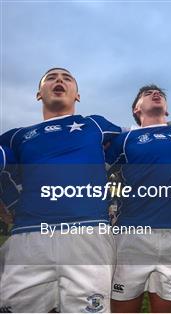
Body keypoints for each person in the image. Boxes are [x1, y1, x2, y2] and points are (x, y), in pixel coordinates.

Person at [0, 68, 121, 312]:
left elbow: (134, 143)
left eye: (67, 78)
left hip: (88, 235)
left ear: (77, 95)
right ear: (38, 94)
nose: (59, 80)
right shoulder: (17, 137)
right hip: (30, 238)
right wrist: (10, 204)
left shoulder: (94, 125)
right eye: (51, 78)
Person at [105, 85, 171, 312]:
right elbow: (95, 173)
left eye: (161, 94)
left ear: (167, 110)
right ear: (136, 108)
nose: (156, 94)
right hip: (133, 236)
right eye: (147, 94)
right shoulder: (124, 138)